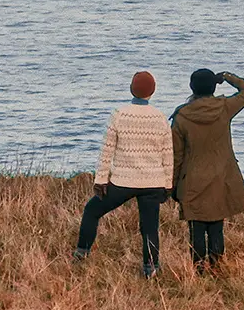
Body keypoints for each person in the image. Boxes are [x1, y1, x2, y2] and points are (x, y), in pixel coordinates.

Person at [73, 71, 173, 277]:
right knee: (149, 227)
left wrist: (101, 180)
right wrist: (167, 184)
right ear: (152, 92)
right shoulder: (160, 117)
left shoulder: (119, 114)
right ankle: (151, 269)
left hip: (123, 181)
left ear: (131, 89)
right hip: (153, 182)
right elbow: (167, 154)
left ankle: (81, 254)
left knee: (92, 211)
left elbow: (106, 150)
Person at [171, 69, 244, 272]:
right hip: (221, 177)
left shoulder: (182, 116)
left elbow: (176, 156)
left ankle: (199, 270)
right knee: (216, 227)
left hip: (192, 179)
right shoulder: (224, 107)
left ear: (192, 87)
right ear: (214, 86)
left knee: (196, 229)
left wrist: (172, 185)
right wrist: (227, 77)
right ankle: (217, 268)